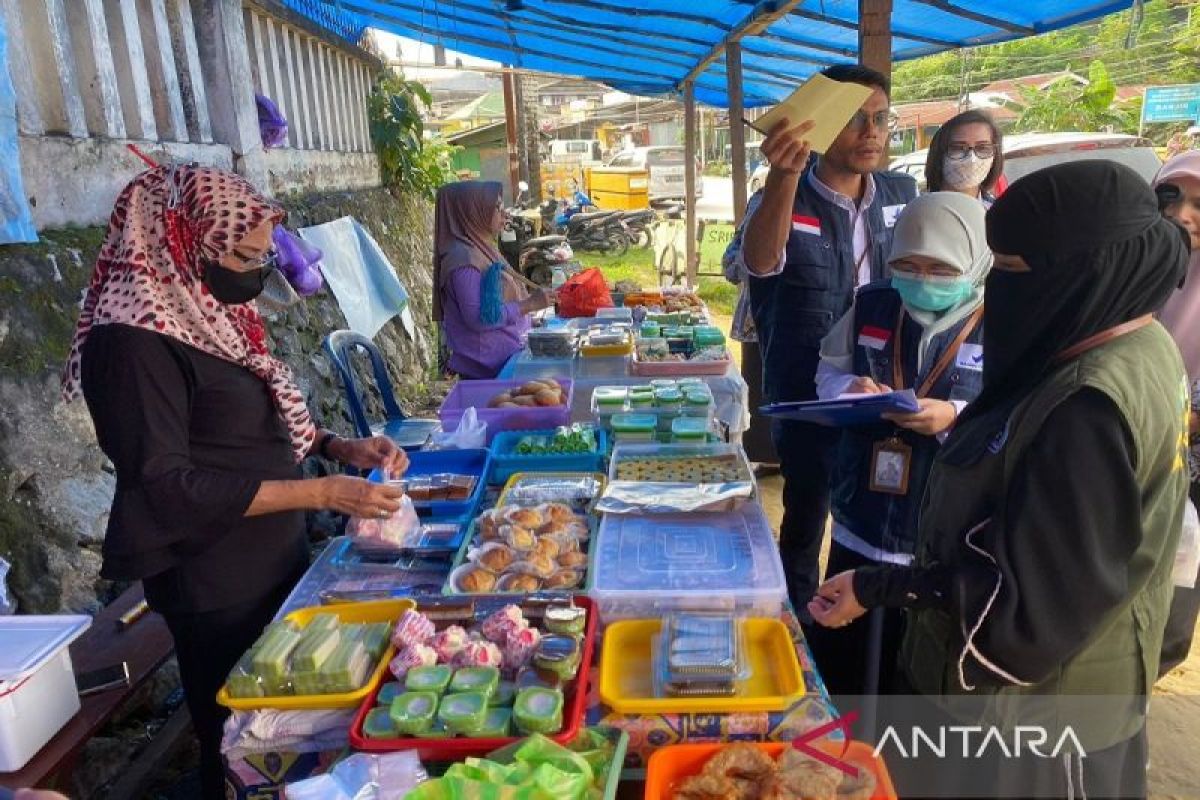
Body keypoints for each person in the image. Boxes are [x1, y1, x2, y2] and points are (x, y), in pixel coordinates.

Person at [810, 161, 1190, 798]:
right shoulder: (1140, 345)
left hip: (1031, 726)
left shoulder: (1086, 405)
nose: (1002, 291)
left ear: (1080, 273)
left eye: (1012, 273)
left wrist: (880, 586)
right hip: (1077, 692)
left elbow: (1023, 610)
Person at [62, 165, 410, 799]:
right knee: (241, 743)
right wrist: (319, 492)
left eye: (261, 259)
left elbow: (245, 420)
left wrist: (335, 446)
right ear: (182, 235)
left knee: (292, 729)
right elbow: (163, 484)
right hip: (212, 579)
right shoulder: (131, 344)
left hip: (272, 555)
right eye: (244, 256)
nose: (254, 274)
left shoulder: (204, 310)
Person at [733, 64, 918, 612]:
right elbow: (760, 263)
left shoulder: (900, 193)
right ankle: (798, 628)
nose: (871, 133)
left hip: (885, 395)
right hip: (809, 396)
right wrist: (783, 181)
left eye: (880, 119)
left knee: (878, 521)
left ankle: (859, 628)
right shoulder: (785, 196)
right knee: (806, 517)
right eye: (854, 120)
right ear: (820, 127)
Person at [805, 192, 991, 696]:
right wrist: (848, 391)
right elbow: (829, 369)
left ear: (975, 260)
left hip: (936, 536)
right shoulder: (875, 303)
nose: (922, 280)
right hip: (860, 512)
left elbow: (1016, 414)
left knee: (910, 671)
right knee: (844, 655)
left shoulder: (1005, 322)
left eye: (939, 267)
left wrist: (954, 416)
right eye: (908, 265)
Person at [1153, 150, 1200, 676]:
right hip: (1119, 462)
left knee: (1168, 619)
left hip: (1191, 478)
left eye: (1199, 204)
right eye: (1169, 196)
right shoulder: (1121, 268)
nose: (1181, 214)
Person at [433, 181, 555, 379]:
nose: (504, 214)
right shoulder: (464, 260)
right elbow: (478, 319)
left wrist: (530, 318)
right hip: (489, 372)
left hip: (507, 360)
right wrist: (528, 305)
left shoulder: (482, 249)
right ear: (473, 212)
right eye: (497, 208)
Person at [923, 109, 1004, 205]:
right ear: (939, 154)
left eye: (982, 148)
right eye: (959, 148)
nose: (972, 159)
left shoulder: (1000, 216)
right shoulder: (913, 212)